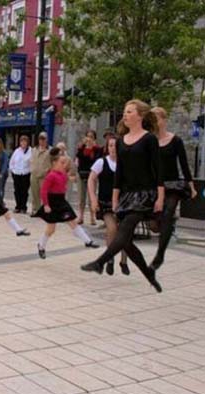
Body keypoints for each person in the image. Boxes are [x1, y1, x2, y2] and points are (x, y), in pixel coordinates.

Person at [81, 99, 164, 293]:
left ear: (140, 116)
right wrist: (116, 198)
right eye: (124, 112)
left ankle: (100, 262)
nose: (125, 115)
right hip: (127, 195)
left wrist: (160, 198)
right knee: (125, 242)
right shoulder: (120, 142)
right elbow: (119, 174)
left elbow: (159, 170)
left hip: (145, 195)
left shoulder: (149, 139)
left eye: (129, 112)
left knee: (124, 229)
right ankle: (149, 274)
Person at [149, 107, 197, 270]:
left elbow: (184, 164)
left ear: (164, 120)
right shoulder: (150, 141)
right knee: (155, 224)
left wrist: (191, 186)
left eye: (158, 119)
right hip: (155, 185)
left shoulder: (175, 141)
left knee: (168, 213)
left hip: (173, 184)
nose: (156, 122)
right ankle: (166, 223)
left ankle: (160, 255)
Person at [35, 147, 99, 259]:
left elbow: (65, 180)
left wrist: (71, 178)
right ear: (54, 163)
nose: (63, 165)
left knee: (72, 222)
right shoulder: (50, 175)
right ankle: (41, 245)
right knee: (51, 229)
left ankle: (88, 241)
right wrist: (46, 205)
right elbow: (44, 191)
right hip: (52, 202)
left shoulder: (62, 173)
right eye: (61, 162)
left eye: (64, 163)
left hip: (61, 201)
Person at [88, 136, 129, 276]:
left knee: (125, 231)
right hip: (105, 203)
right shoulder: (101, 162)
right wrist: (93, 199)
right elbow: (91, 179)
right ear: (107, 148)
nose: (113, 148)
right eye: (110, 145)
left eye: (115, 146)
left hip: (123, 202)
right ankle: (110, 258)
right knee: (112, 228)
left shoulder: (125, 163)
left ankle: (124, 260)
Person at [76, 130, 103, 225]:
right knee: (81, 197)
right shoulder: (82, 148)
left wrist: (92, 148)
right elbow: (78, 157)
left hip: (91, 175)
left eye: (91, 136)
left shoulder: (97, 149)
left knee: (91, 196)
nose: (89, 139)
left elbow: (96, 160)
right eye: (88, 136)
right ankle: (81, 216)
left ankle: (92, 217)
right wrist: (82, 146)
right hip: (81, 174)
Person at [9, 135, 32, 213]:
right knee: (17, 191)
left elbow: (32, 163)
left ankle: (23, 207)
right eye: (21, 141)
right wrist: (12, 170)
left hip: (26, 174)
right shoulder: (17, 151)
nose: (23, 143)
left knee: (24, 191)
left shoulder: (30, 151)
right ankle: (18, 206)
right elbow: (12, 161)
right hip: (17, 173)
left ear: (27, 142)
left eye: (25, 141)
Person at [30, 132, 51, 216]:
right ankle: (35, 210)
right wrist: (31, 169)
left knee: (44, 194)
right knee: (34, 193)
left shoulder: (49, 150)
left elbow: (52, 163)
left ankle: (44, 210)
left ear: (46, 140)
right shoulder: (34, 149)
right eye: (40, 139)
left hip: (44, 176)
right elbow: (31, 160)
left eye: (43, 139)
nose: (42, 141)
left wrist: (47, 171)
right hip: (34, 174)